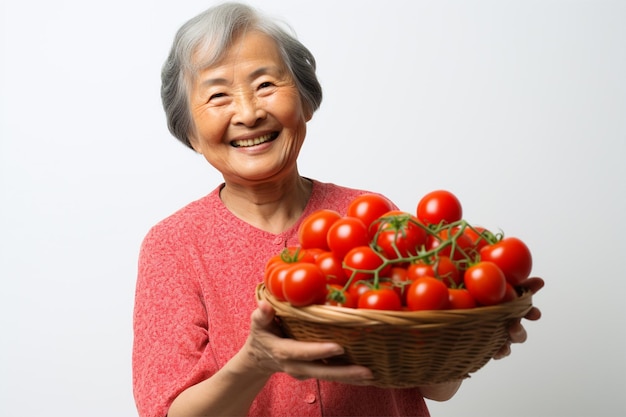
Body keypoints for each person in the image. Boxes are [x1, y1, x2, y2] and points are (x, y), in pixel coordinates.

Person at [132, 3, 544, 417]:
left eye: (265, 85)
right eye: (218, 95)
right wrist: (255, 361)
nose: (249, 112)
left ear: (306, 102)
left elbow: (437, 386)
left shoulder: (370, 215)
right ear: (190, 132)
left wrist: (470, 333)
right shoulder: (173, 246)